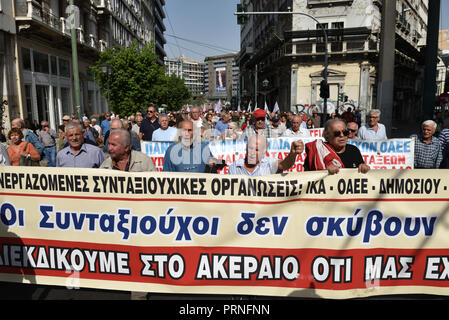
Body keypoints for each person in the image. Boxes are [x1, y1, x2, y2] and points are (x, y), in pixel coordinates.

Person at [304, 119, 370, 174]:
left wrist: (363, 167)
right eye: (337, 133)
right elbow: (307, 177)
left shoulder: (353, 150)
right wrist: (324, 172)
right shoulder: (316, 151)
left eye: (345, 132)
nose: (342, 135)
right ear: (327, 136)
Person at [228, 135, 304, 176]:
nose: (252, 152)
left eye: (257, 150)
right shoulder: (235, 167)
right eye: (250, 148)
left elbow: (284, 165)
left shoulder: (269, 164)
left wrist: (293, 154)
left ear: (264, 152)